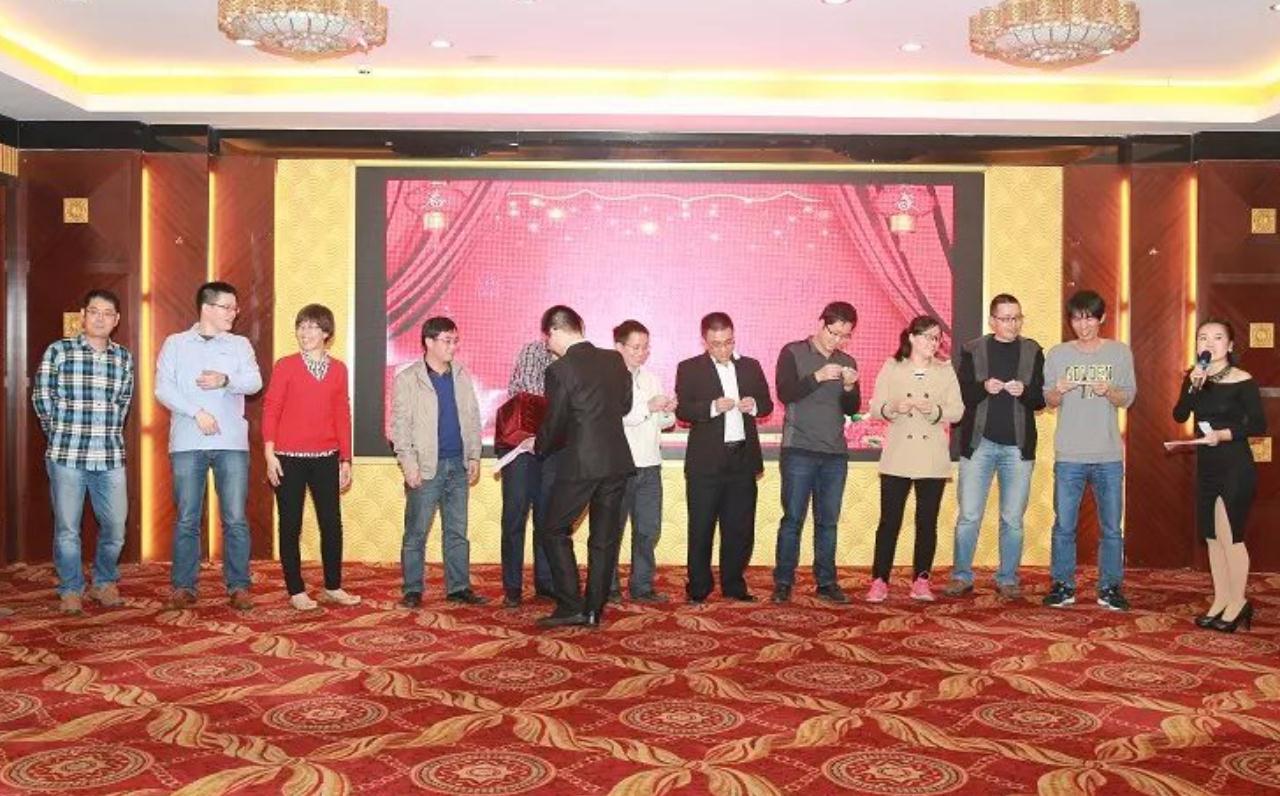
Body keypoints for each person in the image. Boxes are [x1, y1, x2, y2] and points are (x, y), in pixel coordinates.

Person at [156, 281, 262, 611]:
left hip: (231, 442)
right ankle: (183, 586)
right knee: (187, 517)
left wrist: (226, 380)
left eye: (235, 308)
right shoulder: (175, 343)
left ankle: (239, 585)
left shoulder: (240, 344)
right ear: (207, 308)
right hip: (187, 441)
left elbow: (255, 382)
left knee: (235, 517)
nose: (234, 313)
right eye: (227, 307)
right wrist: (195, 412)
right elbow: (163, 388)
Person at [530, 305, 635, 627]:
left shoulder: (560, 370)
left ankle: (570, 604)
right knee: (604, 539)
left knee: (552, 529)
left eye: (548, 338)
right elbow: (625, 406)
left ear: (555, 330)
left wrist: (538, 445)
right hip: (616, 461)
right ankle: (593, 610)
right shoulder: (614, 360)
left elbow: (556, 421)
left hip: (581, 464)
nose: (548, 345)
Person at [32, 289, 135, 615]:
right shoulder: (59, 351)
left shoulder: (124, 358)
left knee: (116, 527)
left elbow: (123, 403)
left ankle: (103, 582)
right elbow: (41, 397)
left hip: (110, 456)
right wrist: (59, 432)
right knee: (67, 529)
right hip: (67, 456)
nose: (100, 318)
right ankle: (71, 589)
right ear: (83, 315)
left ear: (116, 320)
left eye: (108, 313)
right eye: (94, 312)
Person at [943, 293, 1045, 600]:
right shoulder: (973, 349)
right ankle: (961, 576)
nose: (1012, 324)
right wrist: (983, 387)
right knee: (969, 516)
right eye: (1005, 318)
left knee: (1012, 519)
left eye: (1017, 318)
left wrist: (1025, 391)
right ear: (992, 321)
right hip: (979, 446)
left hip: (1018, 448)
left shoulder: (1033, 350)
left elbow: (1040, 401)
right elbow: (961, 396)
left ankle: (1008, 578)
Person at [1042, 291, 1136, 612]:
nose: (1083, 325)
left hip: (1108, 454)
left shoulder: (1119, 352)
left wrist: (1110, 391)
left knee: (1111, 529)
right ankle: (1062, 585)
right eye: (1077, 319)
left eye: (1089, 318)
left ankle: (1110, 587)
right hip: (1069, 454)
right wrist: (1058, 391)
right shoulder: (1057, 354)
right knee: (1064, 526)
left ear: (1102, 318)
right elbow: (1048, 400)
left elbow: (1128, 398)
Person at [263, 304, 360, 611]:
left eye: (312, 326)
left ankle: (333, 586)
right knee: (290, 524)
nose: (304, 332)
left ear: (326, 333)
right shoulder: (285, 365)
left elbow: (342, 414)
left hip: (326, 458)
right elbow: (271, 408)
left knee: (331, 523)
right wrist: (269, 453)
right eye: (301, 326)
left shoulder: (339, 369)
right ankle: (296, 590)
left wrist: (346, 458)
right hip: (287, 458)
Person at [1174, 319, 1266, 633]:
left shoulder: (1243, 380)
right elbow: (1180, 415)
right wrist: (1192, 386)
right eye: (1203, 337)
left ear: (1229, 345)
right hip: (1208, 467)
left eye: (1217, 337)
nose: (1209, 343)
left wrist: (1223, 435)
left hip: (1235, 465)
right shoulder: (1194, 376)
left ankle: (1238, 602)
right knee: (1213, 538)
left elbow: (1258, 424)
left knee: (1231, 537)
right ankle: (1222, 599)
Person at [675, 312, 773, 603]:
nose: (723, 349)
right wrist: (712, 407)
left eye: (728, 342)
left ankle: (734, 584)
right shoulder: (689, 368)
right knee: (701, 527)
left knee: (739, 528)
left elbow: (767, 404)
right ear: (704, 341)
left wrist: (754, 405)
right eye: (716, 344)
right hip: (705, 463)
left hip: (742, 458)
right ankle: (699, 587)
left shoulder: (751, 366)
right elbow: (683, 410)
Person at [865, 315, 964, 603]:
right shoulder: (892, 366)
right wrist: (895, 406)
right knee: (889, 521)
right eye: (927, 336)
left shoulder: (945, 370)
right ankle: (879, 580)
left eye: (937, 338)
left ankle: (922, 580)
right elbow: (875, 407)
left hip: (931, 456)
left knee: (927, 521)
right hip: (898, 454)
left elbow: (957, 410)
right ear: (911, 337)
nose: (932, 343)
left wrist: (935, 411)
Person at [391, 316, 486, 608]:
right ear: (429, 342)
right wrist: (409, 466)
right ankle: (412, 589)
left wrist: (474, 455)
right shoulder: (408, 379)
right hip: (425, 468)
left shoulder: (462, 375)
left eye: (455, 341)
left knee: (457, 532)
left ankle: (459, 587)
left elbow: (472, 418)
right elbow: (400, 428)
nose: (453, 347)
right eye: (447, 341)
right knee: (416, 533)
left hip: (458, 465)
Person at [772, 301, 861, 604]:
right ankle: (783, 582)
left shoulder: (847, 360)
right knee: (793, 519)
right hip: (799, 449)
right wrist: (818, 377)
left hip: (835, 452)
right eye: (834, 333)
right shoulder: (793, 352)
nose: (838, 341)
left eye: (845, 336)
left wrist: (849, 387)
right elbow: (785, 393)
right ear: (821, 324)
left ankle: (826, 582)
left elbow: (852, 409)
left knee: (828, 522)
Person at [610, 319, 677, 603]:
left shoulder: (652, 379)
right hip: (618, 466)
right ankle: (608, 586)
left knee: (648, 529)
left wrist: (667, 410)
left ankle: (642, 586)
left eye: (645, 347)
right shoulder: (608, 378)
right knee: (612, 530)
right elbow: (615, 417)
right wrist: (648, 406)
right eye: (635, 347)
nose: (641, 353)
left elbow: (663, 423)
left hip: (650, 464)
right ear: (619, 347)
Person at [497, 336, 557, 607]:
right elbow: (534, 394)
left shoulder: (571, 360)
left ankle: (545, 582)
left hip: (550, 447)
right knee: (515, 516)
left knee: (546, 518)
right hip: (521, 448)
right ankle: (512, 587)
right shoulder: (535, 350)